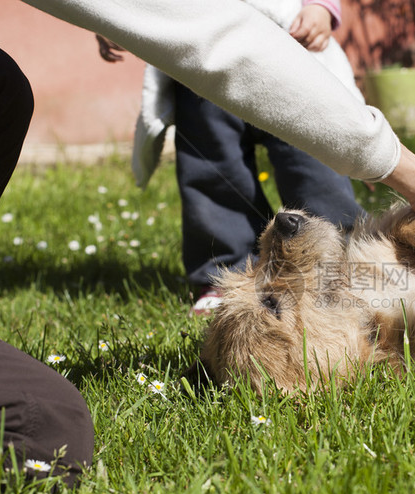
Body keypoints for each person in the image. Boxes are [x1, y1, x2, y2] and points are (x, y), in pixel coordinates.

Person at [0, 0, 415, 493]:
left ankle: (324, 248)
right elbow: (199, 31)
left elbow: (196, 25)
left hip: (283, 52)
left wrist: (315, 10)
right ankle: (220, 269)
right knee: (39, 432)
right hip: (223, 53)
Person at [98, 0, 368, 315]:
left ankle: (345, 259)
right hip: (199, 50)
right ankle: (227, 271)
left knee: (312, 160)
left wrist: (321, 7)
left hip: (286, 46)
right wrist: (115, 10)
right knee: (213, 167)